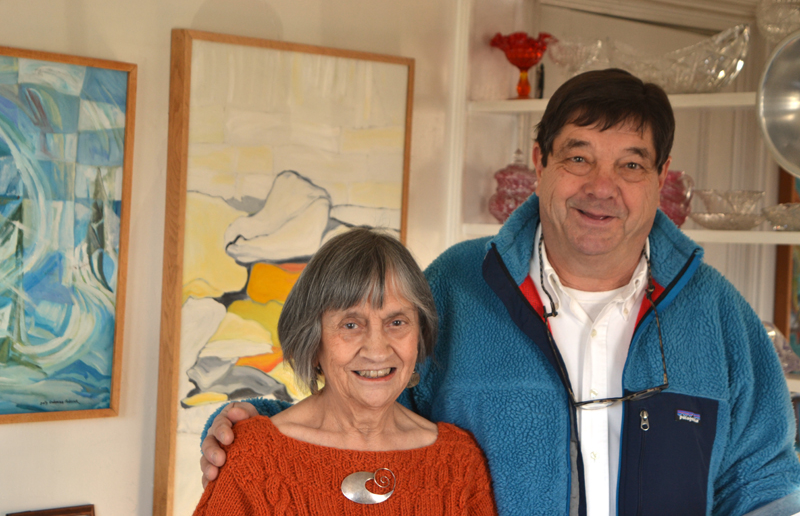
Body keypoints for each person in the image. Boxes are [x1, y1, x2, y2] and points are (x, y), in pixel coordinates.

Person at [199, 69, 800, 516]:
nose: (601, 187)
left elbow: (766, 484)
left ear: (661, 179)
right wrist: (255, 431)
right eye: (579, 157)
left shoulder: (721, 318)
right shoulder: (456, 287)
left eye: (631, 166)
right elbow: (371, 402)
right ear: (539, 162)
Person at [194, 228, 497, 515]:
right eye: (351, 325)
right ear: (313, 340)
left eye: (397, 322)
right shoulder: (253, 458)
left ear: (419, 335)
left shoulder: (458, 463)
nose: (378, 350)